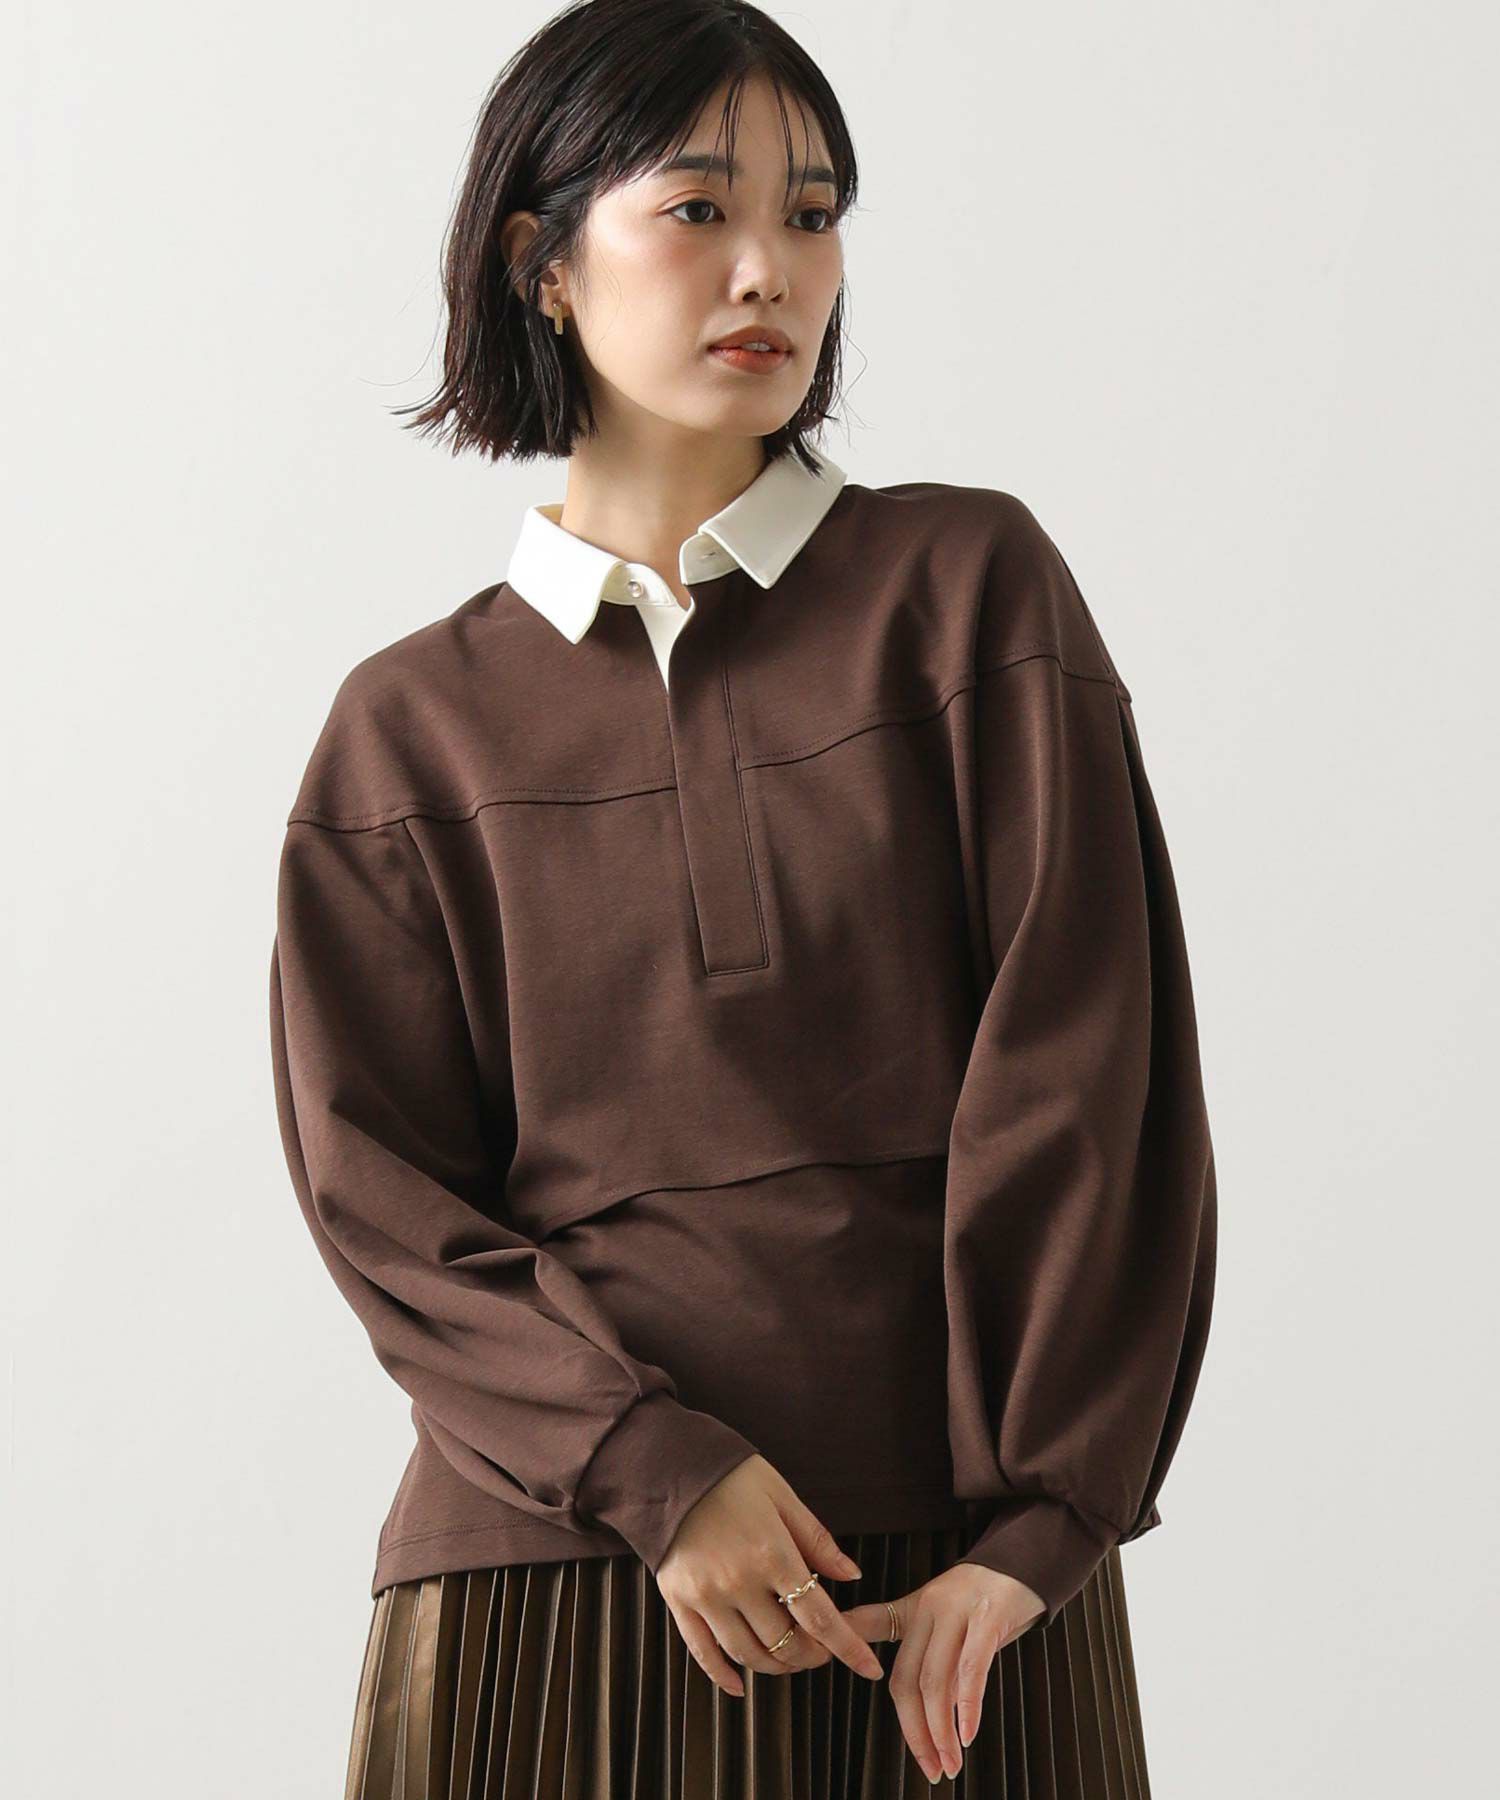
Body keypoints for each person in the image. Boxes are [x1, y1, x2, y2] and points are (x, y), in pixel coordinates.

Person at [268, 2, 1218, 1793]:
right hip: (548, 1573)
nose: (771, 268)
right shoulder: (406, 731)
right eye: (699, 210)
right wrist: (654, 1470)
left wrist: (1042, 1527)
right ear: (543, 264)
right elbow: (382, 1204)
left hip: (952, 1588)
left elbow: (1094, 1075)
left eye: (815, 211)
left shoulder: (967, 590)